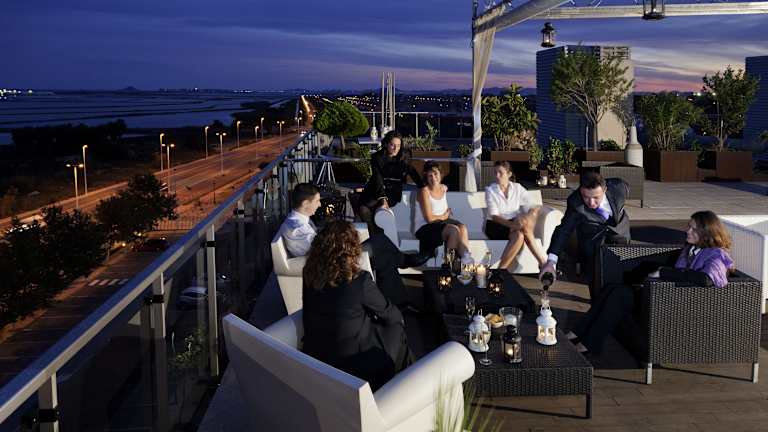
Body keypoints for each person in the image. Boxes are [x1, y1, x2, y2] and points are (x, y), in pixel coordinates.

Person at [566, 210, 735, 354]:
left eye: (693, 229)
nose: (688, 231)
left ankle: (588, 342)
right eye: (688, 226)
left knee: (620, 295)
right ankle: (579, 333)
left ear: (706, 232)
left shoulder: (716, 255)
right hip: (665, 295)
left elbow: (706, 279)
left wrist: (662, 272)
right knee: (613, 288)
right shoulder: (692, 248)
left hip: (684, 307)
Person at [302, 220, 412, 390]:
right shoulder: (359, 281)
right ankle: (399, 388)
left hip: (318, 356)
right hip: (353, 366)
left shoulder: (309, 274)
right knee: (397, 329)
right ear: (352, 248)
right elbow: (389, 314)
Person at [277, 182, 429, 305]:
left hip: (333, 254)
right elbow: (322, 251)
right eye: (317, 201)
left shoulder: (297, 221)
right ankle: (403, 262)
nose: (319, 205)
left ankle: (400, 300)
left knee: (384, 258)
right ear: (305, 203)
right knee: (379, 242)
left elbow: (321, 244)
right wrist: (345, 241)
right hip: (335, 260)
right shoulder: (297, 228)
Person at [539, 171, 631, 286]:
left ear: (605, 190)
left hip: (621, 236)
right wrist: (551, 261)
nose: (591, 203)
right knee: (597, 283)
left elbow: (626, 187)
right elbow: (564, 231)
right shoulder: (575, 202)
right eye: (586, 197)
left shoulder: (619, 188)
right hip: (594, 244)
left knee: (623, 279)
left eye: (596, 197)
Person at [484, 161, 547, 271]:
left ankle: (500, 271)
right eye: (495, 173)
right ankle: (542, 262)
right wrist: (513, 225)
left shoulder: (517, 188)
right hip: (495, 225)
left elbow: (534, 205)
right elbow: (494, 216)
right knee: (522, 226)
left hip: (515, 224)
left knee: (520, 235)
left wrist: (529, 216)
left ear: (509, 174)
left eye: (500, 173)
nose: (497, 176)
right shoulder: (490, 190)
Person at [357, 130, 423, 224]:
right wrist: (383, 199)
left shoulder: (404, 156)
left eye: (398, 145)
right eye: (392, 145)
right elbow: (377, 178)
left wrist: (422, 186)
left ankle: (375, 229)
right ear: (386, 144)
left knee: (374, 210)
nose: (395, 148)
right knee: (364, 208)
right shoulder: (377, 157)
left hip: (393, 191)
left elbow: (412, 171)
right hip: (376, 188)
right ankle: (372, 230)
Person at [414, 161, 471, 260]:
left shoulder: (443, 188)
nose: (433, 178)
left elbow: (442, 204)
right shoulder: (424, 191)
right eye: (430, 176)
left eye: (435, 174)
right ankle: (449, 264)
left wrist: (445, 215)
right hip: (424, 227)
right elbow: (429, 219)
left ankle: (466, 260)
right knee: (453, 230)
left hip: (441, 222)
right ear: (426, 177)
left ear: (440, 174)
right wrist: (445, 216)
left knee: (462, 228)